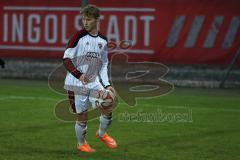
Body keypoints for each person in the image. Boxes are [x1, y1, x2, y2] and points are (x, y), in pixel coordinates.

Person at [63, 4, 117, 153]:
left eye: (88, 19)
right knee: (83, 117)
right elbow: (66, 59)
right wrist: (79, 75)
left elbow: (104, 63)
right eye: (83, 19)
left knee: (108, 102)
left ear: (97, 20)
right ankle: (81, 144)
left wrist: (106, 85)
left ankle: (101, 134)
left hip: (93, 82)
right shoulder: (78, 37)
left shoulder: (103, 40)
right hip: (76, 84)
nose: (85, 22)